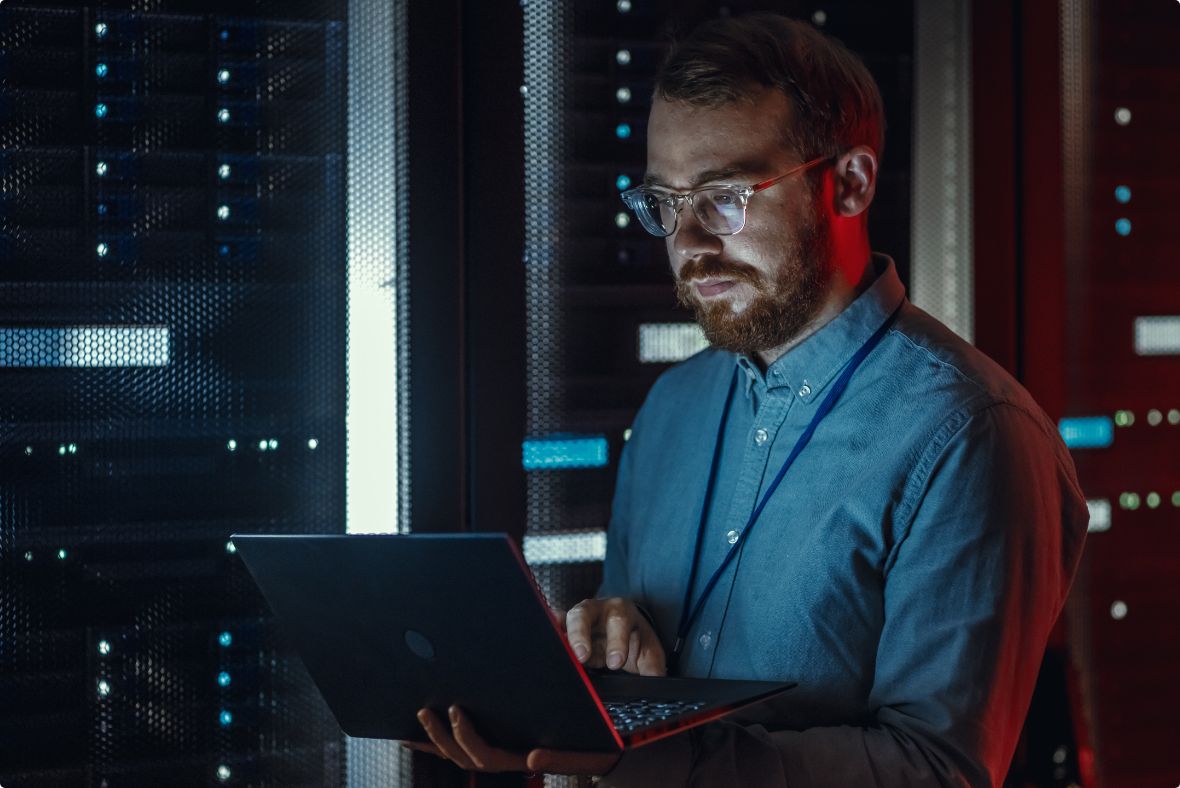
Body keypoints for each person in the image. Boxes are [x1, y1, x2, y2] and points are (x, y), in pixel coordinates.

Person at [408, 12, 1089, 786]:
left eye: (726, 197)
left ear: (852, 183)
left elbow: (938, 771)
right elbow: (639, 675)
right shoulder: (670, 410)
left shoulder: (973, 435)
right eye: (666, 202)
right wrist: (606, 659)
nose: (691, 243)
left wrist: (650, 759)